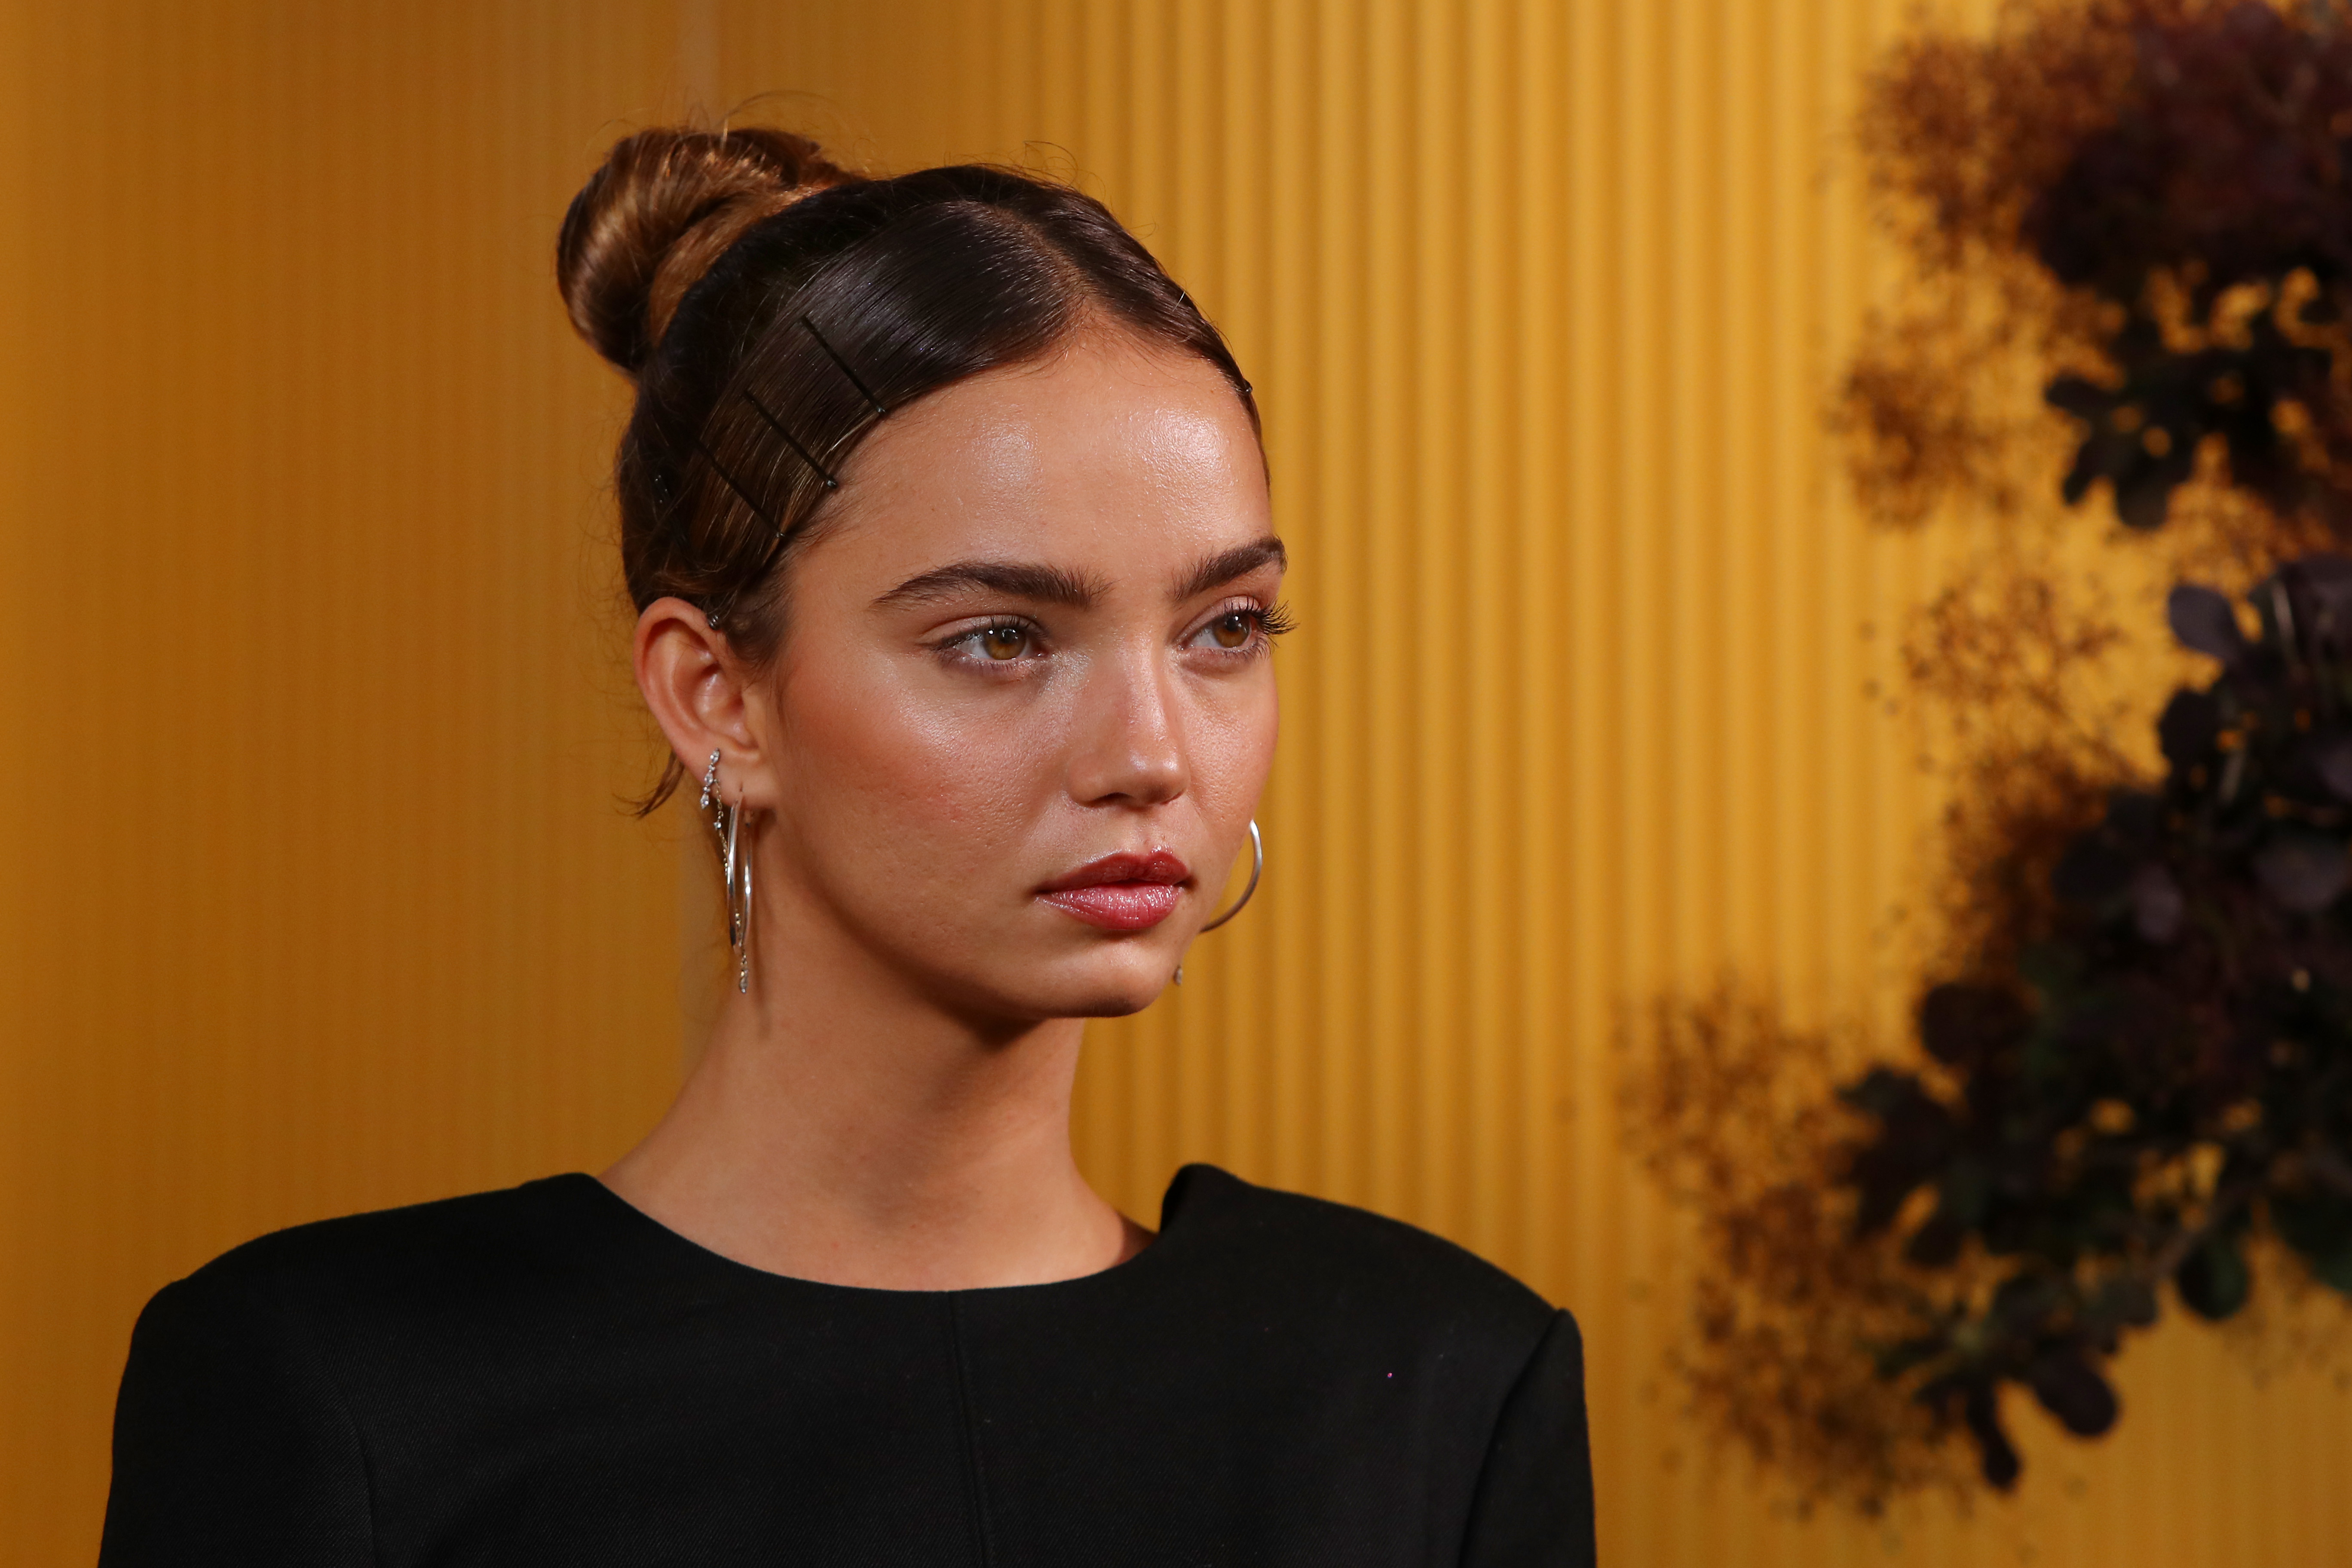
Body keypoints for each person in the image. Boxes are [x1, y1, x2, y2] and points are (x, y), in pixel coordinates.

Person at [97, 126, 1597, 1567]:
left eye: (1224, 629)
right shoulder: (335, 1395)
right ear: (718, 697)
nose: (1153, 753)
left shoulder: (1439, 1388)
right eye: (1003, 638)